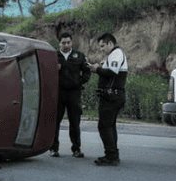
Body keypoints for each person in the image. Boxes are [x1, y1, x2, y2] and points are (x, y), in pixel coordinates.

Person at [50, 32, 91, 158]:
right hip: (58, 93)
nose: (66, 45)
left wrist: (79, 82)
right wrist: (53, 70)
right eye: (63, 42)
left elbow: (87, 71)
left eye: (68, 42)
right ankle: (53, 148)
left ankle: (76, 149)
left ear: (71, 42)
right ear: (59, 43)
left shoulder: (79, 56)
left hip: (74, 93)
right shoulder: (53, 56)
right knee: (55, 122)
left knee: (74, 122)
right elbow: (46, 74)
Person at [89, 33, 127, 166]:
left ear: (110, 43)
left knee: (104, 126)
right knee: (109, 126)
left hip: (112, 96)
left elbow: (112, 72)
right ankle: (113, 154)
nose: (101, 49)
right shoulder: (112, 55)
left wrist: (97, 69)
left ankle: (111, 156)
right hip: (111, 96)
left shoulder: (116, 53)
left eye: (103, 46)